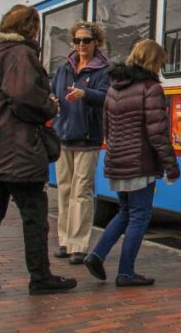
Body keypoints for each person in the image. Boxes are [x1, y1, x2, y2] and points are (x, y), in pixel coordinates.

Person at [0, 4, 77, 300]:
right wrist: (50, 105)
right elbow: (23, 95)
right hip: (17, 151)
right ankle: (40, 276)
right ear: (30, 27)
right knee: (34, 216)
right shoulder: (20, 54)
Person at [83, 39, 180, 287]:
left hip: (117, 160)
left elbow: (108, 127)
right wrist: (171, 165)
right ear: (152, 62)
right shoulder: (150, 88)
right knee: (139, 216)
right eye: (160, 63)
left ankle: (96, 255)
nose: (160, 68)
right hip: (140, 162)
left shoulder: (114, 88)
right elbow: (157, 133)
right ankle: (126, 272)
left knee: (125, 212)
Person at [50, 21, 110, 265]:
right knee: (64, 190)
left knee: (82, 192)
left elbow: (107, 97)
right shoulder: (64, 67)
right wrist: (52, 98)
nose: (81, 45)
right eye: (77, 40)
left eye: (86, 40)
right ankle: (64, 241)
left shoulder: (104, 69)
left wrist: (85, 94)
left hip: (88, 138)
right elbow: (52, 90)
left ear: (96, 41)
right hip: (63, 135)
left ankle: (78, 245)